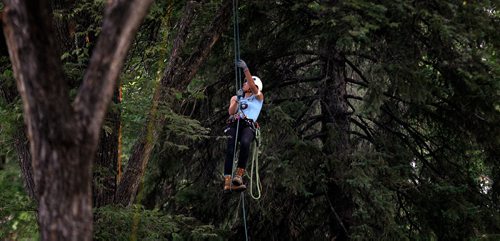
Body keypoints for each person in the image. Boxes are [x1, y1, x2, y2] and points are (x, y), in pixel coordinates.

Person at [223, 59, 264, 193]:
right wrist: (238, 100)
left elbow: (253, 87)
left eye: (247, 82)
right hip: (235, 123)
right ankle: (228, 180)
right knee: (230, 148)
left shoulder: (258, 98)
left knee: (246, 142)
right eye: (245, 81)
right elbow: (231, 112)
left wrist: (246, 69)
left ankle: (239, 176)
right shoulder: (236, 96)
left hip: (248, 125)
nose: (245, 83)